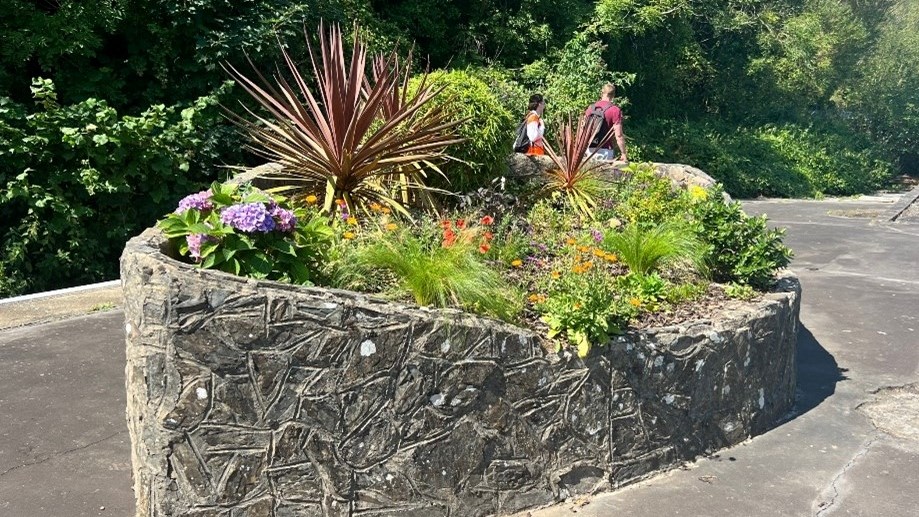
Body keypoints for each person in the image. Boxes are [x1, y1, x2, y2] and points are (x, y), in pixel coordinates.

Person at [584, 83, 627, 162]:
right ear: (613, 95)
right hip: (605, 151)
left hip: (589, 149)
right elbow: (619, 135)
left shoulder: (591, 108)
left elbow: (582, 130)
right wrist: (623, 153)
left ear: (601, 93)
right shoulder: (615, 110)